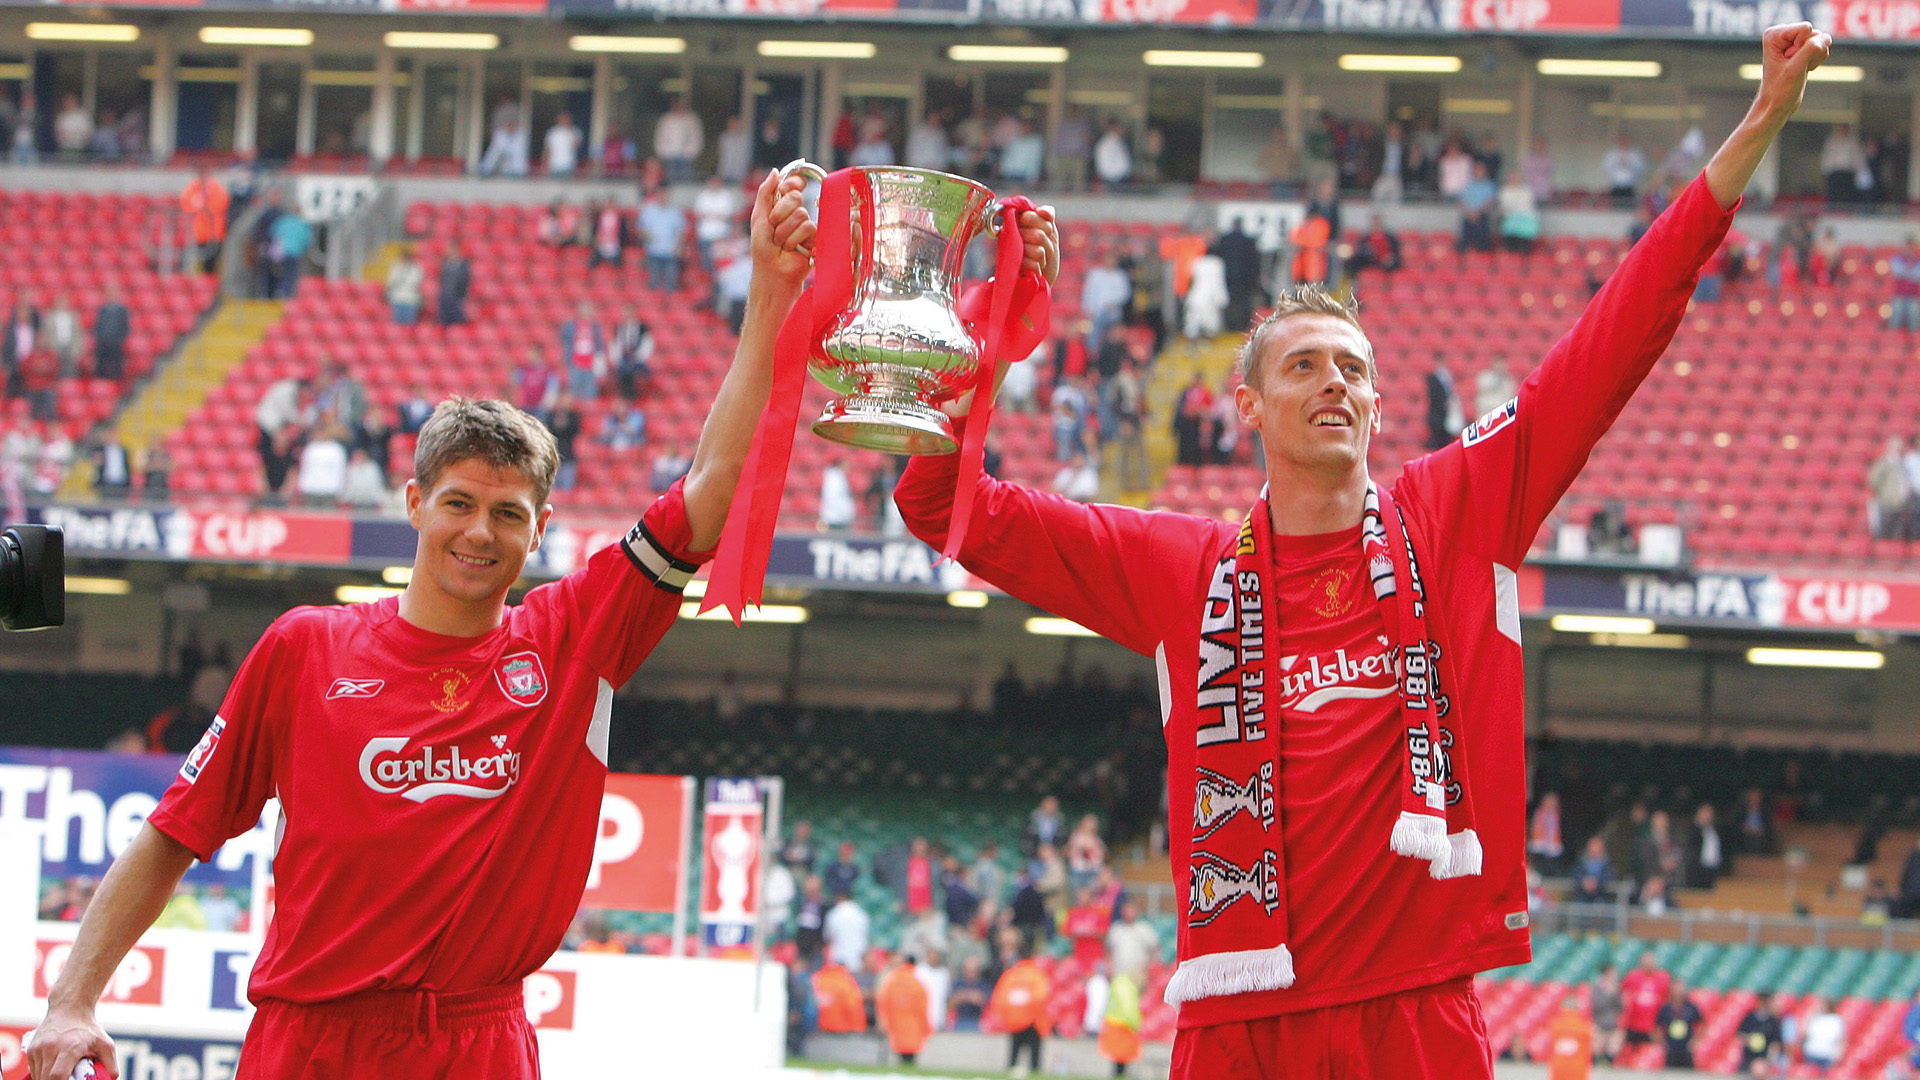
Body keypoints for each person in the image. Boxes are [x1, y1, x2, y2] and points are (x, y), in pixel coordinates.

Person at [891, 28, 1829, 1079]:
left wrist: (1755, 133)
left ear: (1380, 403)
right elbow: (942, 507)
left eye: (1354, 368)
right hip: (1241, 1025)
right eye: (1304, 365)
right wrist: (985, 348)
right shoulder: (1181, 571)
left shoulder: (1457, 511)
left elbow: (1612, 341)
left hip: (1417, 1017)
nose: (1335, 382)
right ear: (1246, 403)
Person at [26, 170, 819, 1080]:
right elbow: (176, 831)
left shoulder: (572, 638)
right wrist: (70, 1002)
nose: (480, 531)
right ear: (412, 503)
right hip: (309, 1041)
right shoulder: (304, 647)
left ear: (541, 530)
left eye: (509, 513)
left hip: (477, 1043)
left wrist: (769, 290)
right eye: (458, 503)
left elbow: (710, 490)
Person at [989, 943, 1051, 1079]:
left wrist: (1008, 1017)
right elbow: (1042, 997)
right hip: (1033, 1023)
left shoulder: (1010, 975)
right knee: (1035, 1064)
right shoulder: (1037, 975)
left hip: (1014, 1021)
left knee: (1012, 1061)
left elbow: (1000, 998)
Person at [878, 955, 932, 1065]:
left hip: (896, 1024)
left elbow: (883, 1002)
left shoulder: (892, 981)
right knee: (910, 1059)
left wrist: (883, 1022)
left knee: (900, 1057)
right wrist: (927, 1028)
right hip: (914, 1026)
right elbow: (923, 1008)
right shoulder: (918, 984)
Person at [180, 167, 229, 274]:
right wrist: (201, 207)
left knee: (212, 261)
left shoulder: (216, 188)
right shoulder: (193, 187)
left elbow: (221, 204)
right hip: (198, 233)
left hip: (215, 233)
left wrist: (205, 206)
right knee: (198, 260)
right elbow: (186, 203)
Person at [638, 190, 688, 294]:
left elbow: (682, 231)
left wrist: (679, 246)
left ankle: (671, 304)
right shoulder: (648, 212)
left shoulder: (675, 212)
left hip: (671, 251)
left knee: (670, 282)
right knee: (654, 281)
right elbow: (640, 229)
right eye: (660, 196)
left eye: (664, 196)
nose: (662, 198)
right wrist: (647, 237)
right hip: (653, 250)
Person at [1621, 951, 1671, 1051]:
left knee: (1652, 1051)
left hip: (1653, 1025)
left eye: (1650, 962)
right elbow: (1624, 995)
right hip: (1632, 1023)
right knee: (1629, 1050)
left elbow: (1666, 1000)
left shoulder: (1663, 978)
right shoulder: (1632, 976)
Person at [1099, 971, 1143, 1078]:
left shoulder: (1120, 982)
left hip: (1117, 1023)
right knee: (1121, 1058)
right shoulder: (1125, 985)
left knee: (1118, 1059)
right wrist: (1135, 1024)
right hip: (1122, 1026)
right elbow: (1128, 1008)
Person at [654, 97, 703, 185]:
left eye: (681, 105)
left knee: (685, 181)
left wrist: (692, 152)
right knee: (670, 181)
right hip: (670, 155)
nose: (679, 107)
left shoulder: (691, 119)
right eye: (676, 105)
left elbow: (696, 137)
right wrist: (662, 151)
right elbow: (660, 136)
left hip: (686, 156)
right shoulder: (666, 119)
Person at [1546, 994, 1593, 1080]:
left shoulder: (1555, 1025)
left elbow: (1550, 1048)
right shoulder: (1584, 1026)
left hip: (1558, 1068)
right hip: (1578, 1070)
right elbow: (1589, 1050)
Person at [1656, 980, 1701, 1069]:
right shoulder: (1666, 1008)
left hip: (1686, 1049)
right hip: (1671, 1049)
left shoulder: (1691, 1008)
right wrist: (1662, 1043)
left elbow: (1701, 1024)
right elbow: (1656, 1027)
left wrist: (1695, 1041)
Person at [92, 288, 131, 383]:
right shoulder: (102, 309)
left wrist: (119, 339)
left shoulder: (122, 310)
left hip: (116, 343)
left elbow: (125, 327)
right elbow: (97, 325)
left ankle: (115, 384)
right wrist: (99, 337)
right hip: (102, 343)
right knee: (100, 366)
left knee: (116, 366)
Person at [1737, 994, 1783, 1072]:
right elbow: (1740, 1035)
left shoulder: (1773, 1021)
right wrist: (1749, 1038)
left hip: (1764, 1059)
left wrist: (1769, 1061)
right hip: (1749, 1058)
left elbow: (1775, 1043)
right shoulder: (1749, 1018)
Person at [1591, 964, 1625, 1064]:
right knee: (1596, 1049)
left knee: (1613, 1049)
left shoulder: (1616, 988)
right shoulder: (1598, 987)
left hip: (1612, 1025)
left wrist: (1615, 994)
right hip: (1599, 1024)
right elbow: (1597, 1005)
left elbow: (1620, 1007)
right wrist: (1608, 994)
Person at [1802, 996, 1845, 1073]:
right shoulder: (1814, 1018)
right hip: (1812, 1052)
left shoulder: (1836, 1019)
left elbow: (1841, 1039)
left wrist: (1838, 1054)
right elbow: (1804, 1033)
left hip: (1828, 1054)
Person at [1602, 135, 1647, 207]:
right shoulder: (1612, 154)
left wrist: (1629, 163)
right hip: (1616, 185)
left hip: (1630, 186)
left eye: (1626, 141)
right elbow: (1606, 167)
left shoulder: (1635, 153)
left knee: (1629, 207)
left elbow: (1641, 167)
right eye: (1622, 140)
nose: (1624, 143)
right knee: (1616, 206)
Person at [385, 247, 425, 326]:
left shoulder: (416, 268)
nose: (405, 260)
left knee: (409, 326)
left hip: (411, 299)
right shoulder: (396, 268)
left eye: (407, 258)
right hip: (398, 298)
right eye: (404, 258)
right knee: (397, 325)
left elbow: (415, 283)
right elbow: (391, 282)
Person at [437, 240, 471, 327]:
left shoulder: (463, 264)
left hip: (457, 297)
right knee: (444, 321)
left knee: (457, 321)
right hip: (445, 296)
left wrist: (461, 295)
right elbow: (442, 279)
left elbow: (465, 281)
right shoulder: (445, 263)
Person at [543, 112, 582, 177]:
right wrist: (544, 165)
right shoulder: (552, 132)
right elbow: (547, 149)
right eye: (562, 119)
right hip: (553, 166)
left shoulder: (575, 131)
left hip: (569, 165)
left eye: (566, 119)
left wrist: (570, 131)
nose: (564, 121)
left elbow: (577, 145)